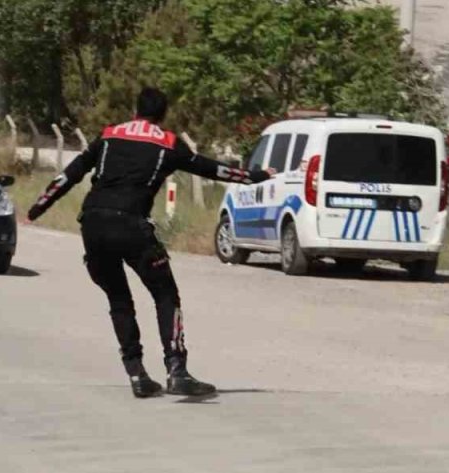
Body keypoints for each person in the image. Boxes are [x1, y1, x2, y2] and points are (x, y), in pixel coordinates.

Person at [27, 88, 273, 398]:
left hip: (93, 223)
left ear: (135, 110)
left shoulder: (109, 135)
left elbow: (69, 175)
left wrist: (37, 209)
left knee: (119, 299)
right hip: (131, 225)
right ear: (163, 114)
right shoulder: (168, 143)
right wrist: (257, 176)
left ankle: (136, 374)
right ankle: (177, 370)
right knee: (165, 293)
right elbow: (213, 169)